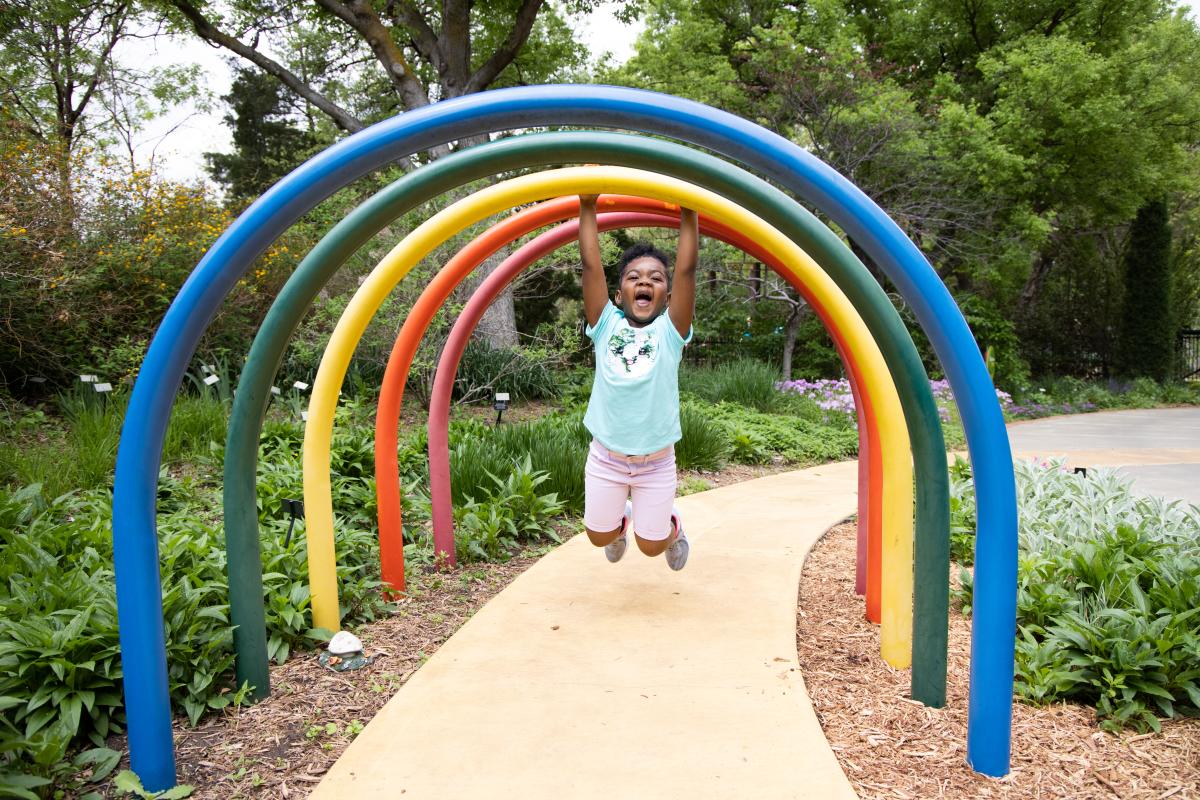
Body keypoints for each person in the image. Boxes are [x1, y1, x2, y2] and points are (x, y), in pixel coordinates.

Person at [577, 194, 698, 570]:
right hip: (606, 455)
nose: (644, 281)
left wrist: (690, 211)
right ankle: (620, 521)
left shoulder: (670, 331)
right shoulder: (606, 324)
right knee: (598, 536)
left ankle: (672, 527)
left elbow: (687, 272)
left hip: (656, 461)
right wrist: (587, 206)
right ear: (619, 295)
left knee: (651, 546)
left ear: (667, 298)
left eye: (655, 278)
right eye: (634, 277)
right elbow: (590, 266)